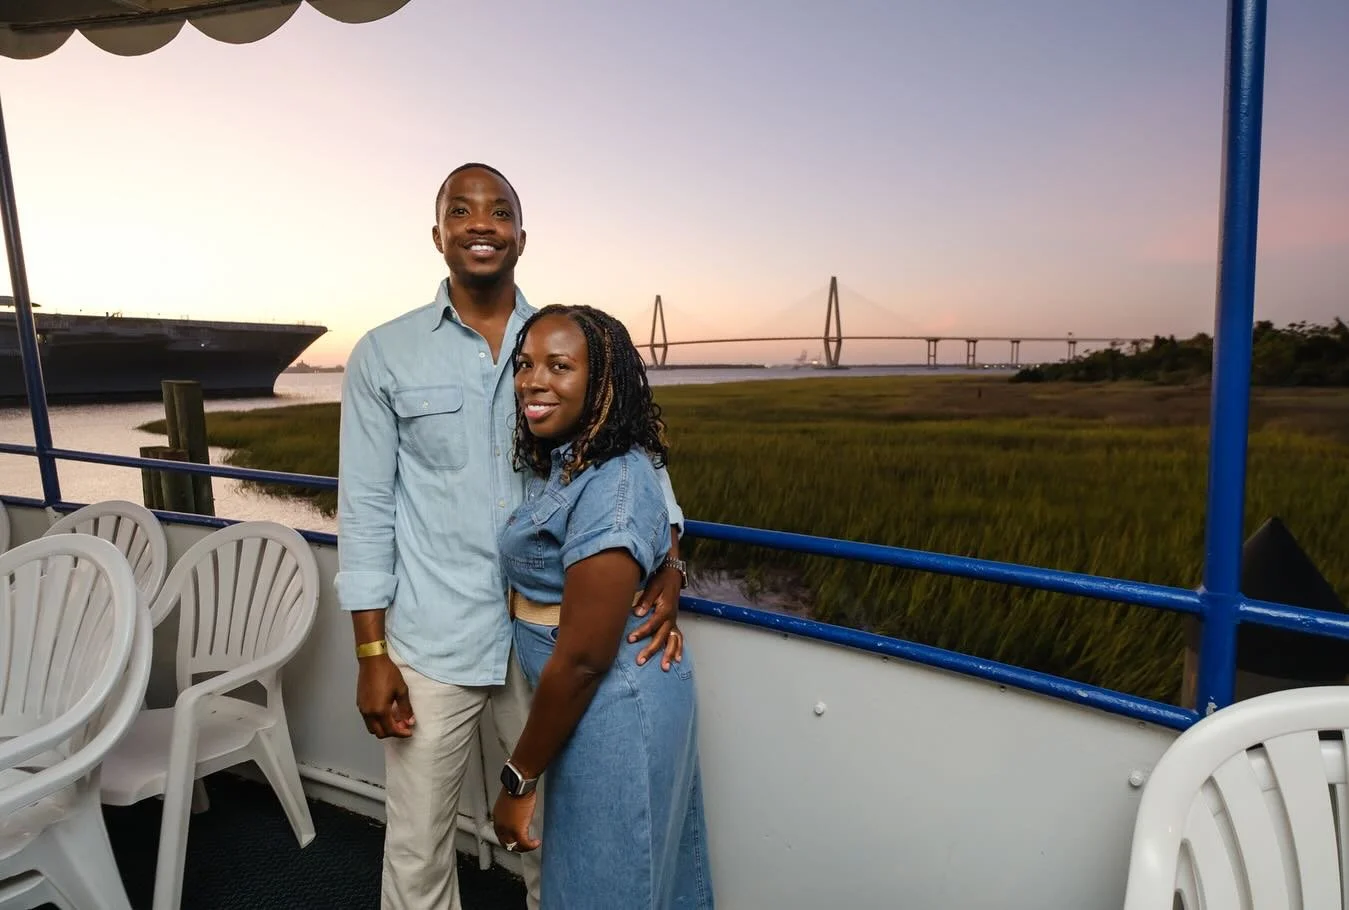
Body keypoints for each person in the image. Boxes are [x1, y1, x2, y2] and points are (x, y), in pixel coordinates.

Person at [335, 163, 690, 910]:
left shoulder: (564, 339)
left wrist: (670, 560)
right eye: (461, 211)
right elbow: (365, 508)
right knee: (416, 850)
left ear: (521, 237)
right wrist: (371, 653)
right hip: (433, 640)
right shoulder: (384, 354)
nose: (480, 224)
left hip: (547, 644)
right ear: (438, 235)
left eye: (499, 212)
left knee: (551, 844)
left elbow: (634, 455)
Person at [491, 304, 714, 909]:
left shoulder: (613, 482)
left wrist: (518, 779)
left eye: (559, 366)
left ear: (601, 383)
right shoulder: (573, 458)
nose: (534, 381)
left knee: (608, 886)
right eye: (525, 365)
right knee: (629, 878)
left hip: (615, 698)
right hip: (592, 702)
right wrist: (670, 558)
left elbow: (585, 658)